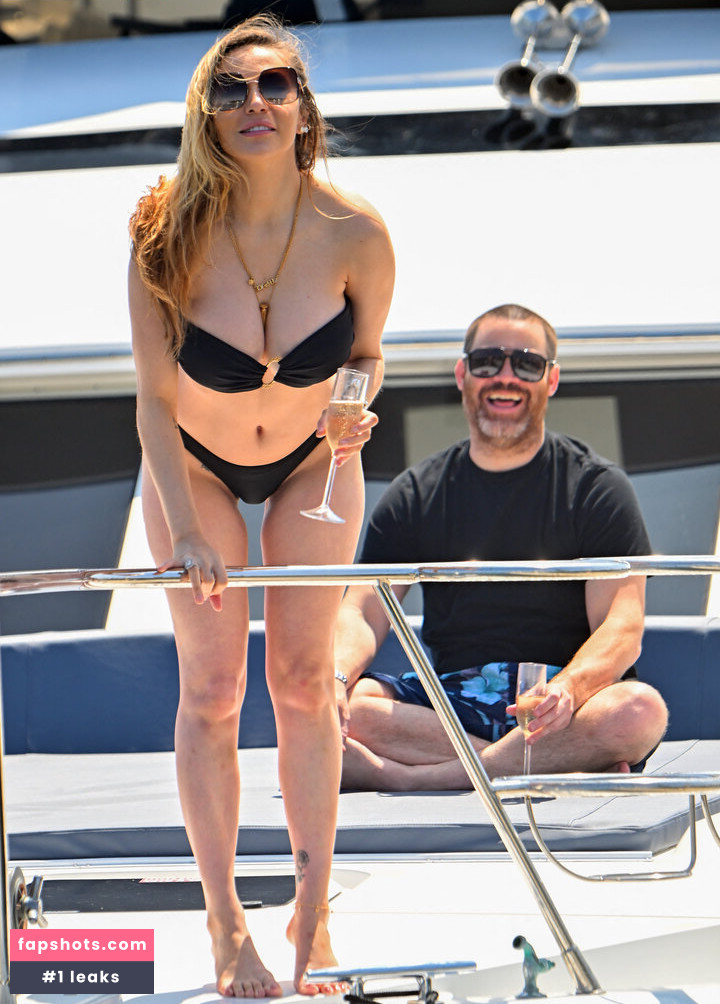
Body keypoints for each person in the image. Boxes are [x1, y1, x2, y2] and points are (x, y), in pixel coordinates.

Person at [128, 15, 394, 998]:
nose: (256, 103)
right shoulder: (165, 234)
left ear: (303, 107)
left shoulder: (356, 231)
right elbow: (152, 402)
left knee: (305, 683)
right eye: (232, 89)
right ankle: (226, 922)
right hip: (191, 467)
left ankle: (311, 917)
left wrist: (354, 403)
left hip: (311, 464)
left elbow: (366, 356)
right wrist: (186, 530)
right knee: (211, 691)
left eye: (275, 84)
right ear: (206, 113)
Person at [334, 304, 668, 791]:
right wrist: (335, 679)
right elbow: (363, 611)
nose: (506, 376)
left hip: (562, 703)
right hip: (452, 703)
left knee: (638, 710)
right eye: (488, 361)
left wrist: (567, 690)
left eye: (527, 363)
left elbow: (622, 627)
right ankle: (548, 765)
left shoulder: (597, 487)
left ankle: (413, 778)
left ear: (551, 379)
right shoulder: (415, 494)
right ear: (462, 374)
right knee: (355, 707)